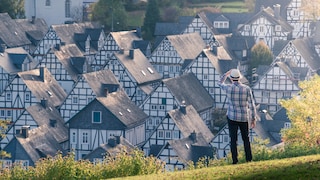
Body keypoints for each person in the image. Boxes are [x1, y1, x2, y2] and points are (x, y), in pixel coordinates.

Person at [218, 69, 257, 164]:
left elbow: (219, 83)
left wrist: (226, 74)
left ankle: (235, 161)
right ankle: (249, 159)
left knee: (233, 140)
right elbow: (252, 105)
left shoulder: (228, 88)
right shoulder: (247, 89)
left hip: (232, 117)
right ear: (240, 78)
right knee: (246, 139)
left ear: (231, 79)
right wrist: (253, 118)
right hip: (244, 117)